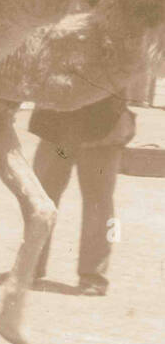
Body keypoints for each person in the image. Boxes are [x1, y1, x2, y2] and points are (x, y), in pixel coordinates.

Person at [29, 96, 132, 295]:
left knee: (98, 201)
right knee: (40, 194)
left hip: (103, 124)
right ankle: (29, 265)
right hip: (57, 126)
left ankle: (93, 276)